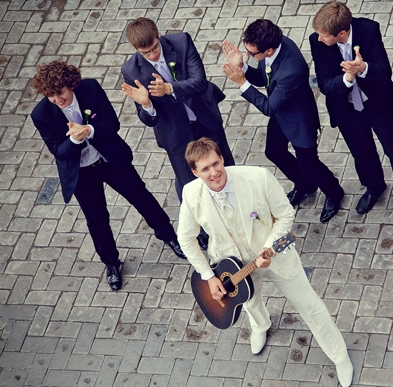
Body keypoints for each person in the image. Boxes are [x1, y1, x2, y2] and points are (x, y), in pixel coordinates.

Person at [177, 137, 354, 386]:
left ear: (222, 159)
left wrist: (269, 248)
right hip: (231, 265)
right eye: (205, 169)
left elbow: (285, 216)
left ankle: (340, 355)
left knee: (310, 305)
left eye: (216, 164)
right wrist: (208, 275)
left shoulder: (259, 178)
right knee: (249, 302)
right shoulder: (190, 193)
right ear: (195, 172)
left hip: (275, 256)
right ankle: (260, 326)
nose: (214, 172)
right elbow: (185, 238)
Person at [30, 60, 183, 291]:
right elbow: (58, 152)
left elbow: (112, 123)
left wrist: (89, 130)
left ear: (70, 85)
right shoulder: (41, 114)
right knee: (97, 220)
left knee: (140, 196)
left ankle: (169, 235)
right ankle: (111, 263)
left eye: (60, 93)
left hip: (109, 158)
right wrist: (74, 139)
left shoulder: (90, 89)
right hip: (81, 172)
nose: (57, 100)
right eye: (51, 96)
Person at [121, 17, 236, 253]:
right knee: (188, 182)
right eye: (145, 52)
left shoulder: (182, 42)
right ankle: (203, 229)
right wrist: (146, 105)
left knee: (225, 167)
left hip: (204, 120)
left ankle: (236, 209)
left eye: (154, 47)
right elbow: (148, 119)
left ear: (159, 36)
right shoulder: (131, 70)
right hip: (175, 135)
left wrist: (170, 88)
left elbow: (199, 82)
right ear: (136, 50)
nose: (152, 55)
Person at [309, 1, 393, 218]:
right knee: (361, 152)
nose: (319, 39)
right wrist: (347, 77)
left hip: (376, 104)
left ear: (341, 32)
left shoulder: (368, 29)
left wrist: (363, 68)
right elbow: (325, 84)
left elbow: (384, 71)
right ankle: (374, 186)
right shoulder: (317, 42)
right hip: (346, 108)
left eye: (324, 36)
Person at [221, 19, 345, 223]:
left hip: (298, 120)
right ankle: (305, 184)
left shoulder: (291, 70)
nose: (250, 56)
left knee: (309, 163)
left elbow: (268, 107)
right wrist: (242, 64)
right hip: (282, 112)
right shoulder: (273, 44)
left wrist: (241, 82)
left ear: (268, 51)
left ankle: (334, 191)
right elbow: (263, 79)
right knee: (273, 151)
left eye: (252, 54)